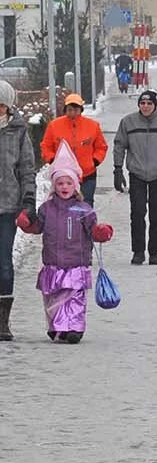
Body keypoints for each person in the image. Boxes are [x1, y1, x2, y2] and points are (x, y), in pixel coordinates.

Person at [15, 140, 114, 343]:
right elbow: (37, 228)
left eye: (68, 183)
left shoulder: (84, 210)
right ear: (54, 186)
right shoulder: (47, 209)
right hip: (53, 262)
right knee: (54, 297)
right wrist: (26, 224)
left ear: (75, 186)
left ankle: (75, 328)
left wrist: (101, 232)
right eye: (60, 183)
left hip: (76, 262)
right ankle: (57, 326)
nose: (64, 187)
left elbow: (93, 232)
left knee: (75, 297)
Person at [112, 89, 157, 265]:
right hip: (137, 173)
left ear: (155, 105)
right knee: (137, 214)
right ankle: (138, 251)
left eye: (149, 103)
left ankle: (154, 252)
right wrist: (118, 169)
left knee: (156, 216)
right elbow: (119, 144)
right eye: (142, 103)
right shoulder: (128, 122)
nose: (145, 106)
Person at [0, 80, 38, 342]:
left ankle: (2, 321)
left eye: (1, 105)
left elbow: (27, 169)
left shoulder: (18, 131)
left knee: (3, 263)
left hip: (7, 206)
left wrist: (29, 202)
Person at [41, 93, 107, 205]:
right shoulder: (54, 125)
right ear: (65, 110)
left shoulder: (93, 126)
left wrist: (94, 161)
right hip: (63, 176)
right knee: (63, 206)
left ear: (81, 110)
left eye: (76, 110)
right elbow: (45, 146)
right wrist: (53, 160)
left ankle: (86, 223)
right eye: (70, 109)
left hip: (87, 175)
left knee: (86, 205)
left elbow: (101, 146)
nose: (72, 113)